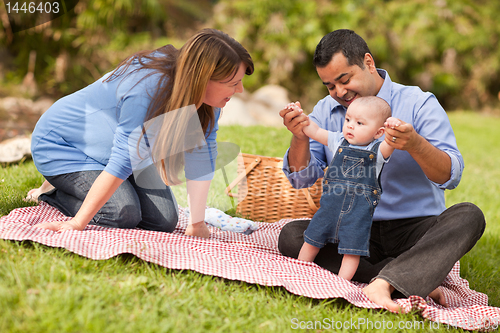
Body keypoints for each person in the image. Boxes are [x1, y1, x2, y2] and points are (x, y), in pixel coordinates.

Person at [278, 29, 485, 312]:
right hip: (351, 226)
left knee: (469, 216)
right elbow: (302, 179)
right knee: (292, 236)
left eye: (345, 79)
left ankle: (387, 280)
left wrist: (415, 144)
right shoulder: (326, 111)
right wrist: (300, 137)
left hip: (414, 229)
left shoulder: (418, 103)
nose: (339, 92)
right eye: (329, 86)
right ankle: (405, 275)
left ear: (368, 62)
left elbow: (450, 176)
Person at [27, 28, 254, 239]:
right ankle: (52, 192)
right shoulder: (147, 87)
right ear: (203, 78)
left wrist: (196, 223)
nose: (240, 90)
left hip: (113, 154)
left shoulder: (209, 101)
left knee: (164, 220)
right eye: (233, 83)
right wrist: (77, 224)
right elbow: (121, 162)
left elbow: (202, 158)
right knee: (121, 215)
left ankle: (87, 189)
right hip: (64, 147)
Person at [287, 96, 397, 281]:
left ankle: (342, 282)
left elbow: (392, 142)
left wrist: (394, 128)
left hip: (358, 213)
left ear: (379, 132)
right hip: (330, 205)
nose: (350, 126)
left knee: (352, 250)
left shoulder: (378, 151)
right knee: (312, 238)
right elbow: (313, 130)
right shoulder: (338, 140)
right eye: (348, 120)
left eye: (360, 123)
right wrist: (300, 116)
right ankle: (299, 271)